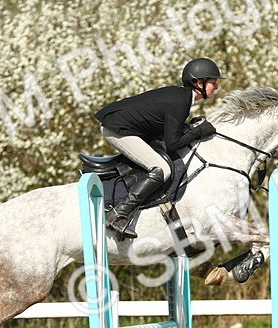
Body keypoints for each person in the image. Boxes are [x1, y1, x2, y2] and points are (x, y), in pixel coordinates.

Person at [94, 57, 223, 237]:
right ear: (198, 82)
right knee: (161, 169)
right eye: (213, 83)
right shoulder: (182, 102)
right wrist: (199, 131)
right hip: (118, 129)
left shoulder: (181, 96)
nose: (216, 88)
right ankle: (118, 214)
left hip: (127, 126)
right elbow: (173, 144)